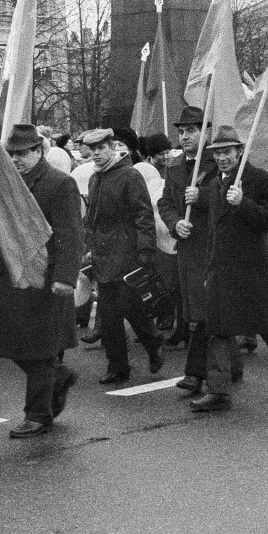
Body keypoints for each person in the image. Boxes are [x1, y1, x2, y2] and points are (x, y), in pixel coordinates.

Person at [189, 127, 268, 411]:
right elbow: (216, 231)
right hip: (222, 268)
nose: (222, 158)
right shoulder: (215, 182)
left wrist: (243, 203)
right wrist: (209, 270)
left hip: (253, 267)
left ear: (240, 151)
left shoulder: (259, 179)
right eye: (217, 153)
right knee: (218, 328)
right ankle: (219, 391)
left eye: (227, 152)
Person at [0, 125, 84, 438]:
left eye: (23, 153)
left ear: (39, 151)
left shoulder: (60, 184)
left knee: (39, 349)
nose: (16, 159)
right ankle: (58, 377)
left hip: (45, 279)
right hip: (13, 277)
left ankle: (37, 415)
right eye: (12, 154)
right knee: (17, 346)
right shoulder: (7, 185)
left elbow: (71, 234)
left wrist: (65, 277)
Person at [80, 128, 164, 385]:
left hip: (127, 255)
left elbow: (143, 214)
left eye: (101, 149)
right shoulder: (95, 180)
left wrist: (146, 249)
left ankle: (153, 343)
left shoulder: (130, 175)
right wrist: (87, 245)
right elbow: (92, 220)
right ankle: (117, 367)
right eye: (92, 150)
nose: (96, 154)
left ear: (112, 147)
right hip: (104, 256)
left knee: (131, 306)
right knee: (109, 315)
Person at [156, 105, 215, 397]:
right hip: (187, 247)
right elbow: (165, 203)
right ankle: (232, 366)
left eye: (191, 130)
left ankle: (194, 373)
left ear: (207, 131)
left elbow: (229, 198)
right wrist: (175, 223)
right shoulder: (175, 166)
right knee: (196, 310)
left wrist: (201, 196)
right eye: (181, 131)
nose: (185, 136)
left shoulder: (219, 161)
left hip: (212, 246)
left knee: (204, 312)